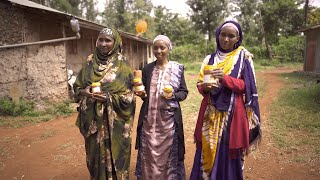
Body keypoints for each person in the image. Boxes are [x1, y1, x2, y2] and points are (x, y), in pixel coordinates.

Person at [190, 20, 261, 180]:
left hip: (232, 113)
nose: (226, 39)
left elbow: (247, 86)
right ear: (218, 35)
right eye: (223, 34)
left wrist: (226, 79)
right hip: (210, 113)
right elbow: (201, 86)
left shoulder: (244, 58)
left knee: (228, 151)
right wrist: (205, 88)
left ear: (238, 38)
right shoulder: (209, 59)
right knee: (208, 149)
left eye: (231, 36)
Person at [73, 27, 135, 180]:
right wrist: (84, 91)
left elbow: (129, 96)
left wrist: (109, 98)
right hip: (93, 121)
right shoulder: (89, 61)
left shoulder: (123, 64)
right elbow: (77, 87)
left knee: (118, 157)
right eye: (100, 39)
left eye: (108, 40)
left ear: (115, 43)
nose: (103, 43)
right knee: (94, 157)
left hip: (116, 123)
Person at [134, 35, 188, 179]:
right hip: (150, 122)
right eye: (156, 48)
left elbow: (184, 92)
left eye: (162, 47)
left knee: (170, 155)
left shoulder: (177, 69)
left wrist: (173, 96)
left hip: (169, 123)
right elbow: (145, 94)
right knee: (149, 154)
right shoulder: (147, 69)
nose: (159, 51)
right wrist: (140, 94)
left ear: (168, 49)